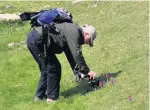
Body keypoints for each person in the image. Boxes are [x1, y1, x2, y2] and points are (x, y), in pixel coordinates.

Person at [26, 22, 97, 103]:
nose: (87, 43)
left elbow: (71, 57)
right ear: (86, 34)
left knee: (47, 69)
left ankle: (39, 97)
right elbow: (77, 55)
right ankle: (51, 99)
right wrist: (88, 71)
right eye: (89, 41)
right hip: (38, 40)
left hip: (34, 38)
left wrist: (80, 74)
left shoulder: (72, 32)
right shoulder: (75, 33)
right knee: (53, 68)